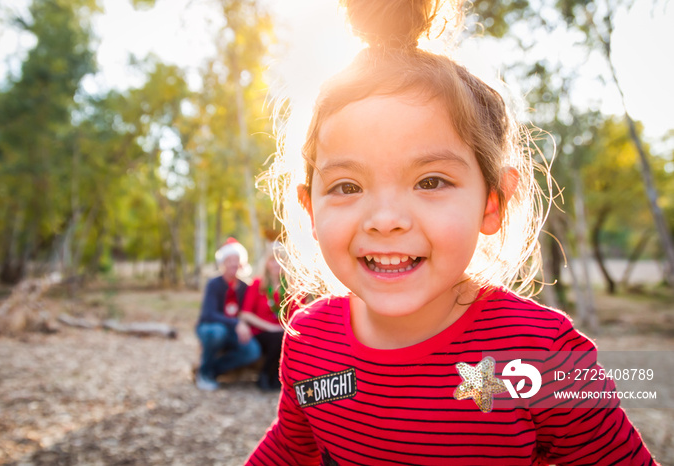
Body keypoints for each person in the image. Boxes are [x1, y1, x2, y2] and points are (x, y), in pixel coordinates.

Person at [246, 0, 657, 464]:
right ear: (311, 212)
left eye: (430, 182)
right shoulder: (309, 342)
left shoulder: (540, 352)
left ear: (492, 201)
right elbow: (289, 447)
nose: (385, 219)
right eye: (347, 186)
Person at [195, 238, 261, 391]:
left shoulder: (245, 286)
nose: (233, 264)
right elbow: (209, 314)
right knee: (217, 332)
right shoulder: (214, 284)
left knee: (252, 351)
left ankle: (212, 370)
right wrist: (236, 323)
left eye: (236, 260)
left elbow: (247, 311)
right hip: (210, 327)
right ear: (223, 263)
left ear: (242, 263)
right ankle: (204, 374)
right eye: (229, 260)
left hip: (234, 331)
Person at [238, 243, 288, 392]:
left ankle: (280, 378)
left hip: (283, 331)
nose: (276, 264)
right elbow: (245, 313)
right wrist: (271, 327)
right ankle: (265, 375)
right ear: (266, 262)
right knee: (277, 337)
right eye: (273, 260)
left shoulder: (291, 287)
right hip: (261, 332)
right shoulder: (257, 284)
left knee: (284, 337)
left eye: (281, 260)